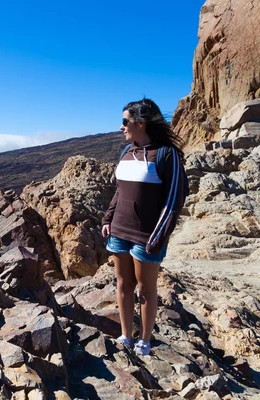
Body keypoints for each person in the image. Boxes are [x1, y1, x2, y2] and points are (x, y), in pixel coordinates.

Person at [101, 98, 185, 356]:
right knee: (123, 284)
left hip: (147, 236)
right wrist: (108, 219)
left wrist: (158, 237)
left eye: (125, 121)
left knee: (146, 289)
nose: (121, 127)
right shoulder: (126, 152)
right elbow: (119, 191)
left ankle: (145, 341)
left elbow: (174, 200)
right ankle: (126, 336)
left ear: (141, 123)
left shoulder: (166, 155)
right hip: (119, 232)